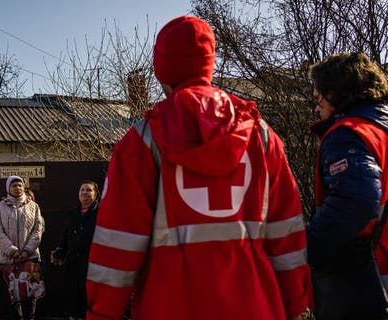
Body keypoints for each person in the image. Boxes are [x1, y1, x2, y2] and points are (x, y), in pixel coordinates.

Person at [86, 16, 310, 320]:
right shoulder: (260, 134)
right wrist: (295, 303)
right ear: (210, 63)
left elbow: (117, 246)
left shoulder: (142, 141)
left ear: (161, 70)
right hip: (256, 306)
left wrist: (102, 313)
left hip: (169, 306)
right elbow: (288, 235)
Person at [307, 52, 388, 319]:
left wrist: (306, 247)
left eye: (318, 98)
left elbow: (357, 201)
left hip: (369, 274)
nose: (316, 108)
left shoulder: (349, 134)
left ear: (336, 93)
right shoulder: (382, 127)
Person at [0, 175, 44, 320]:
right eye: (14, 185)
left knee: (32, 293)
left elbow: (37, 230)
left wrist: (27, 250)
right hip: (9, 259)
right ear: (8, 188)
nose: (17, 188)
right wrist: (13, 251)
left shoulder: (34, 206)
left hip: (30, 257)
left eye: (20, 185)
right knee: (14, 295)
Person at [50, 180, 99, 320]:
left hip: (92, 263)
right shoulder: (73, 214)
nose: (84, 192)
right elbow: (66, 236)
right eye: (82, 190)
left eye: (88, 190)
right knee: (74, 294)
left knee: (89, 295)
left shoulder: (101, 213)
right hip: (73, 263)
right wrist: (60, 251)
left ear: (95, 194)